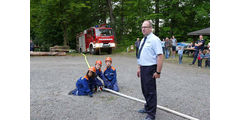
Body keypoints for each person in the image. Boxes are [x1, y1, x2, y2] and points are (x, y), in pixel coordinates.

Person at [137, 20, 163, 120]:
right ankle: (148, 107)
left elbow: (160, 56)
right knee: (145, 90)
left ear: (151, 28)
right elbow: (141, 55)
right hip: (143, 68)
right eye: (142, 27)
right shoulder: (143, 40)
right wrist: (139, 67)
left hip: (150, 68)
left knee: (150, 91)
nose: (143, 29)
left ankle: (151, 114)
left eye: (145, 27)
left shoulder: (155, 39)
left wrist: (158, 71)